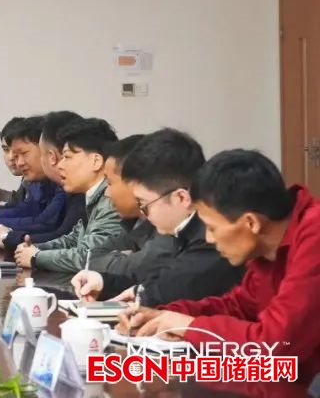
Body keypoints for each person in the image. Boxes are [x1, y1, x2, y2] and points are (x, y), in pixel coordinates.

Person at [119, 149, 320, 382]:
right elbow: (239, 306)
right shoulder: (266, 246)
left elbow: (276, 345)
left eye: (212, 228)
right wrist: (162, 316)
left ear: (250, 222)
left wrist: (191, 327)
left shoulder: (314, 236)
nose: (209, 239)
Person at [71, 129, 243, 306]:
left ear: (181, 198)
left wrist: (139, 293)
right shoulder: (182, 228)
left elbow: (173, 287)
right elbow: (155, 280)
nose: (143, 214)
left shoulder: (210, 237)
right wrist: (103, 283)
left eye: (144, 204)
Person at [15, 117, 124, 272]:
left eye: (67, 157)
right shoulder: (93, 195)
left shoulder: (111, 200)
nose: (60, 165)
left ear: (96, 161)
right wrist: (35, 248)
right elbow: (73, 240)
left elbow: (89, 257)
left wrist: (36, 257)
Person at [0, 116, 70, 247]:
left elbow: (50, 226)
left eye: (24, 153)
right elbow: (27, 209)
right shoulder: (41, 181)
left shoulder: (69, 186)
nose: (18, 162)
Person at [86, 134, 172, 277]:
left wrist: (124, 260)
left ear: (135, 183)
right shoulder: (135, 223)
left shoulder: (167, 227)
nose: (107, 193)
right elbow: (93, 259)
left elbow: (142, 268)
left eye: (110, 183)